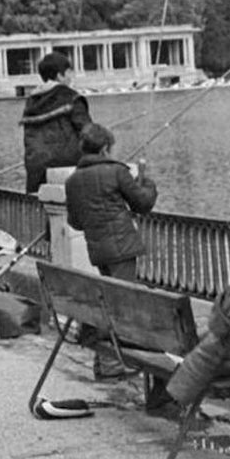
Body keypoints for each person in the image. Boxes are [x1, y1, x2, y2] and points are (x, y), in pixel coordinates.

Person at [64, 123, 158, 380]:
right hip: (123, 248)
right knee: (122, 306)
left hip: (98, 250)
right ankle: (112, 365)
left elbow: (75, 222)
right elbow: (143, 203)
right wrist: (147, 181)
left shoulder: (73, 180)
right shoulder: (117, 171)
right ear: (105, 148)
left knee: (110, 300)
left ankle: (105, 361)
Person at [20, 51, 92, 194]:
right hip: (67, 169)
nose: (71, 76)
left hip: (36, 170)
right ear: (60, 75)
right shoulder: (72, 98)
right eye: (69, 72)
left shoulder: (31, 101)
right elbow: (90, 134)